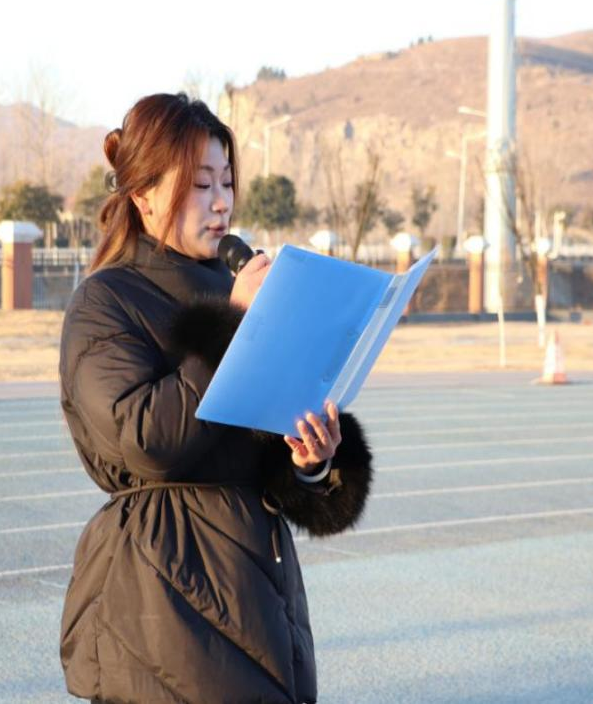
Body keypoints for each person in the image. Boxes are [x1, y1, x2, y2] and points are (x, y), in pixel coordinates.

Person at [58, 93, 372, 704]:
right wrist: (233, 324)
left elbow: (258, 441)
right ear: (144, 195)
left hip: (259, 581)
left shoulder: (239, 293)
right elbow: (147, 441)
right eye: (201, 184)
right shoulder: (106, 302)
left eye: (226, 181)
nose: (222, 201)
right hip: (162, 592)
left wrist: (311, 462)